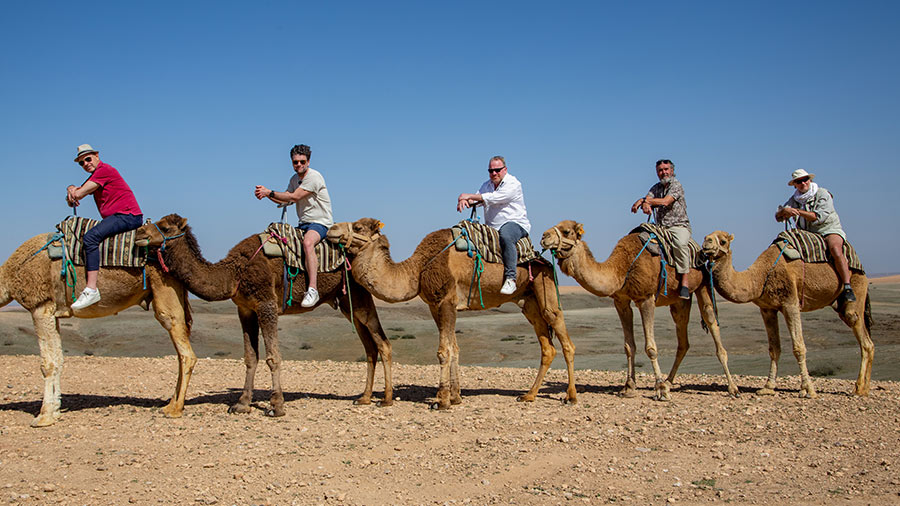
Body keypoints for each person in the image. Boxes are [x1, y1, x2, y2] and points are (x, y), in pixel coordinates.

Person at [66, 144, 144, 310]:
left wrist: (74, 190)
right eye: (81, 163)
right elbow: (72, 198)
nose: (86, 163)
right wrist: (70, 189)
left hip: (127, 215)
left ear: (96, 156)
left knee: (90, 237)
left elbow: (79, 194)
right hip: (118, 216)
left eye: (88, 159)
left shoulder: (104, 170)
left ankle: (91, 289)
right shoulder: (96, 175)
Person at [255, 144, 333, 307]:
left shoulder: (314, 177)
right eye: (295, 162)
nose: (299, 165)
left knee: (308, 243)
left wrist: (269, 192)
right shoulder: (294, 179)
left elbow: (295, 196)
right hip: (302, 224)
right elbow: (286, 199)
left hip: (320, 223)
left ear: (308, 161)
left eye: (302, 161)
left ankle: (313, 289)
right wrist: (266, 194)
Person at [775, 169, 855, 303]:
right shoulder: (794, 199)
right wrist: (784, 211)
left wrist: (797, 212)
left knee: (835, 249)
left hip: (828, 229)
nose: (803, 183)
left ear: (810, 180)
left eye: (805, 179)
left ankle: (847, 286)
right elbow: (778, 217)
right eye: (799, 181)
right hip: (807, 233)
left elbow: (818, 217)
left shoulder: (822, 194)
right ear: (795, 184)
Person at [457, 155, 531, 295]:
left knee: (506, 235)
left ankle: (511, 278)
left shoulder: (513, 184)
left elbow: (494, 198)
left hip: (515, 223)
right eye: (491, 171)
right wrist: (465, 201)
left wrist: (468, 196)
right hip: (492, 226)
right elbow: (478, 199)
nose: (494, 173)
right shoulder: (487, 185)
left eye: (497, 170)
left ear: (505, 169)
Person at [630, 159, 693, 299]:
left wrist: (644, 202)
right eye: (660, 170)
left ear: (671, 170)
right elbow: (648, 199)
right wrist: (644, 203)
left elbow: (665, 201)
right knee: (637, 238)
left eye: (666, 169)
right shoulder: (655, 188)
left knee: (680, 244)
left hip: (678, 226)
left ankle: (685, 281)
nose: (663, 172)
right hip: (660, 227)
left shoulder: (676, 185)